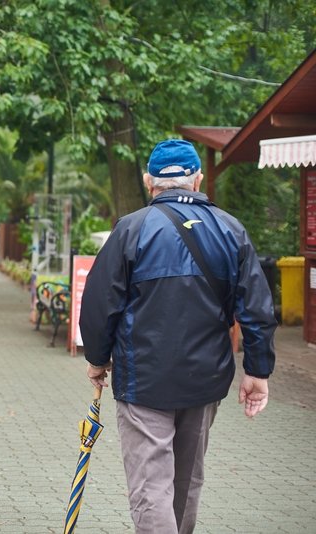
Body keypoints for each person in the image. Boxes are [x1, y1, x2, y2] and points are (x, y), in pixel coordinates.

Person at [79, 139, 276, 534]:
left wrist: (98, 359)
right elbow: (256, 309)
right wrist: (257, 370)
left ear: (149, 180)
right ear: (198, 179)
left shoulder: (130, 230)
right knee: (186, 484)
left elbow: (100, 304)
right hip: (206, 379)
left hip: (143, 379)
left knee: (151, 487)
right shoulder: (230, 230)